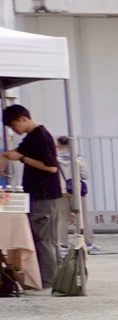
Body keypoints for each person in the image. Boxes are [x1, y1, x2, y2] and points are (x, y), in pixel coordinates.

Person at [2, 102, 64, 289]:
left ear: (24, 118)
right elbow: (17, 152)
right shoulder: (31, 138)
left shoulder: (40, 137)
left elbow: (51, 167)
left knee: (43, 239)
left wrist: (21, 159)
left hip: (44, 195)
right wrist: (6, 156)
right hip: (39, 195)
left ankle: (49, 279)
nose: (14, 130)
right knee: (45, 239)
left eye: (14, 126)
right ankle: (53, 276)